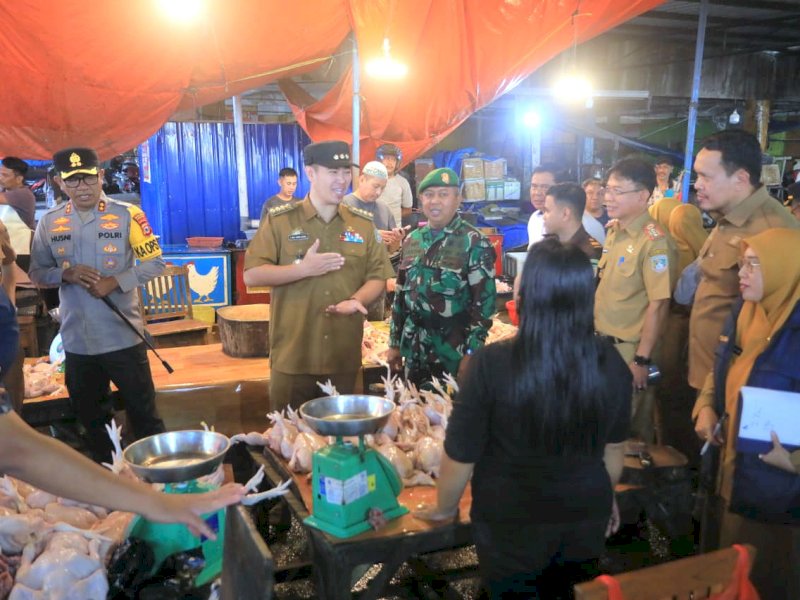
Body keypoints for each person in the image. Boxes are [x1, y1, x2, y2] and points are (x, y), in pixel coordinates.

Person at [415, 238, 631, 599]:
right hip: (584, 514)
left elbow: (461, 452)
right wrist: (606, 495)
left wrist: (444, 508)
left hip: (511, 521)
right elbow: (614, 449)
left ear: (525, 291)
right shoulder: (611, 362)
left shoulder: (490, 363)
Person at [29, 147, 167, 462]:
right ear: (61, 184)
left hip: (122, 337)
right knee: (93, 424)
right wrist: (66, 274)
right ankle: (110, 486)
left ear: (100, 176)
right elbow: (37, 273)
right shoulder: (49, 223)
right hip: (77, 344)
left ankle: (160, 486)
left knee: (145, 419)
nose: (82, 187)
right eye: (73, 181)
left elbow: (155, 264)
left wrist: (115, 281)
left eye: (88, 178)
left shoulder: (128, 215)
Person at [243, 141, 393, 410]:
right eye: (333, 172)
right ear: (311, 174)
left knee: (341, 444)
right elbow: (252, 274)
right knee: (288, 442)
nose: (342, 180)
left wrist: (358, 299)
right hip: (292, 358)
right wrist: (302, 269)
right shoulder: (280, 220)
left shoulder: (362, 224)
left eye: (346, 172)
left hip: (342, 359)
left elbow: (377, 276)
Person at [693, 228, 800, 600]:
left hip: (779, 491)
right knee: (727, 566)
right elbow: (720, 366)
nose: (742, 273)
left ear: (787, 268)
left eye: (754, 264)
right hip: (731, 468)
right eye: (742, 263)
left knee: (768, 575)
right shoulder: (744, 310)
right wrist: (705, 405)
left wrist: (794, 462)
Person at [688, 130, 798, 393]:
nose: (697, 185)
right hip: (703, 371)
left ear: (741, 179)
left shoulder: (773, 232)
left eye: (706, 176)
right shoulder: (727, 217)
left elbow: (775, 330)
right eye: (697, 175)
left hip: (732, 385)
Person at [387, 167, 496, 387]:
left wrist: (472, 352)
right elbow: (400, 298)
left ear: (458, 199)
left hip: (453, 356)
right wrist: (394, 344)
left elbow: (484, 306)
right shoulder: (412, 240)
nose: (435, 201)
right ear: (421, 200)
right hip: (415, 353)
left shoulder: (474, 242)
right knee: (414, 416)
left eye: (443, 194)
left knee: (450, 417)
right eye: (429, 195)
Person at [595, 158, 678, 442]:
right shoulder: (614, 231)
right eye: (608, 189)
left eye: (618, 191)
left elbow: (659, 304)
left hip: (630, 354)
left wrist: (642, 360)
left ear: (643, 196)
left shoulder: (654, 242)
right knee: (603, 430)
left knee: (628, 436)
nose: (607, 197)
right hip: (602, 348)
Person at [343, 160, 404, 249]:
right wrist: (372, 236)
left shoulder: (384, 209)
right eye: (375, 186)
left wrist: (397, 240)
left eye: (382, 188)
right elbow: (339, 237)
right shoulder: (344, 205)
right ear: (362, 180)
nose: (378, 192)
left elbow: (392, 249)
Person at [541, 182, 602, 266]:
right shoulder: (548, 243)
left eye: (547, 211)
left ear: (565, 214)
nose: (543, 217)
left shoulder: (590, 253)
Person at [0, 156, 36, 271]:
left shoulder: (23, 194)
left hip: (21, 251)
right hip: (6, 249)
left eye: (5, 175)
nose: (0, 178)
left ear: (19, 178)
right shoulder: (5, 192)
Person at [375, 143, 413, 226]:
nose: (390, 162)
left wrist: (392, 216)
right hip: (373, 231)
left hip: (394, 232)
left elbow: (408, 209)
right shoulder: (370, 180)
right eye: (387, 158)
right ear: (379, 160)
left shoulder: (403, 182)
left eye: (393, 159)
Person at [526, 165, 557, 249]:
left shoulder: (563, 221)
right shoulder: (534, 218)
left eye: (545, 187)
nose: (537, 193)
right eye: (534, 186)